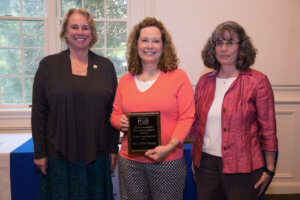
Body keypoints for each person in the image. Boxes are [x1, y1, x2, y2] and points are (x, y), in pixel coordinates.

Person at [31, 8, 119, 200]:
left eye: (85, 27)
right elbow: (39, 112)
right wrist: (40, 152)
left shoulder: (106, 67)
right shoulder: (48, 66)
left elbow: (113, 111)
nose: (80, 32)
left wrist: (113, 148)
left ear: (92, 33)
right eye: (74, 27)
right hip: (58, 157)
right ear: (65, 32)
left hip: (97, 155)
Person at [190, 21, 278, 200]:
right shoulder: (204, 82)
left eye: (230, 43)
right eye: (219, 43)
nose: (223, 48)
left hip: (243, 167)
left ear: (241, 47)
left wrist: (269, 168)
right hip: (205, 166)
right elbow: (197, 124)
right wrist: (195, 160)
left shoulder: (257, 81)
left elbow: (268, 129)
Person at [110, 17, 195, 200]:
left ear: (164, 46)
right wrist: (120, 121)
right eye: (145, 40)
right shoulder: (125, 80)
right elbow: (115, 114)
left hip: (168, 160)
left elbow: (187, 117)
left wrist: (169, 147)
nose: (150, 46)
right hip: (130, 162)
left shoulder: (178, 77)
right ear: (136, 44)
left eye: (156, 41)